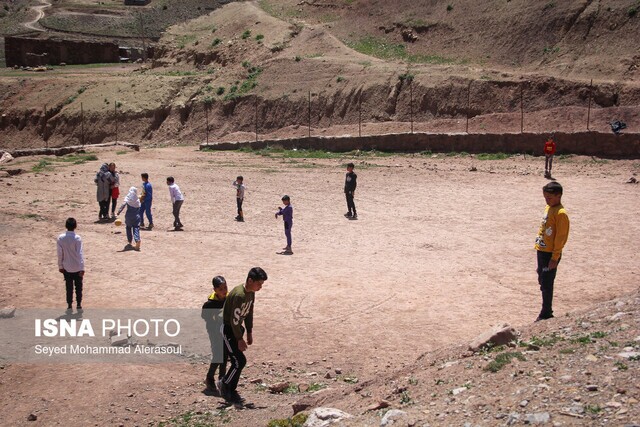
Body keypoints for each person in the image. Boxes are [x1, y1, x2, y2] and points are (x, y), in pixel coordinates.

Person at [217, 267, 268, 404]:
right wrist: (239, 339)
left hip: (237, 329)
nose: (260, 287)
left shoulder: (250, 293)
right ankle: (224, 384)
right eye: (259, 284)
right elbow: (234, 320)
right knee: (239, 361)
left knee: (238, 361)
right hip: (229, 330)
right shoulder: (239, 295)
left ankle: (230, 391)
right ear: (250, 281)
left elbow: (249, 313)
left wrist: (249, 331)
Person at [534, 181, 570, 322]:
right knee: (542, 279)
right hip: (542, 250)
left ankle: (546, 312)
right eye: (545, 197)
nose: (546, 200)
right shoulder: (548, 208)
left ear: (558, 196)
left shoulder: (561, 214)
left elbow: (561, 237)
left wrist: (555, 257)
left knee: (547, 282)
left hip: (550, 253)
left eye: (549, 197)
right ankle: (546, 309)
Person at [201, 276, 228, 394]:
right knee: (218, 354)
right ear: (215, 290)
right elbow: (205, 316)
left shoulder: (228, 299)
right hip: (213, 331)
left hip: (225, 330)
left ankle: (222, 378)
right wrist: (216, 319)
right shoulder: (210, 304)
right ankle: (209, 378)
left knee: (225, 353)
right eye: (221, 289)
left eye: (225, 287)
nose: (224, 291)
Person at [57, 217, 85, 310]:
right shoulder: (77, 238)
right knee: (79, 287)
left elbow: (60, 253)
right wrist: (82, 268)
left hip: (66, 266)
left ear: (66, 226)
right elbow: (80, 253)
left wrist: (60, 266)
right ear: (75, 226)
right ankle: (79, 304)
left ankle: (69, 304)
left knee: (69, 287)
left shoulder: (61, 238)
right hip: (77, 266)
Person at [117, 187, 142, 251]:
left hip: (128, 216)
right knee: (136, 228)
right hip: (137, 217)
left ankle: (130, 241)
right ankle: (137, 240)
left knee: (128, 227)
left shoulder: (128, 198)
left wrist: (118, 212)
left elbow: (123, 205)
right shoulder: (137, 200)